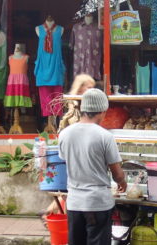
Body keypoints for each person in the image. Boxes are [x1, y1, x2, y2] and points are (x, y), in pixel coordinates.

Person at [58, 88, 127, 244]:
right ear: (103, 110)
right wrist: (123, 183)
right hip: (98, 203)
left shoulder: (65, 134)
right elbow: (117, 174)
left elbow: (65, 160)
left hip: (74, 203)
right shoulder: (105, 136)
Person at [39, 74, 96, 224]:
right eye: (89, 88)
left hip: (76, 153)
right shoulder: (74, 109)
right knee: (71, 188)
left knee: (70, 189)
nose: (91, 91)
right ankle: (51, 214)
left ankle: (50, 213)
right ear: (80, 88)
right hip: (75, 154)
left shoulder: (81, 106)